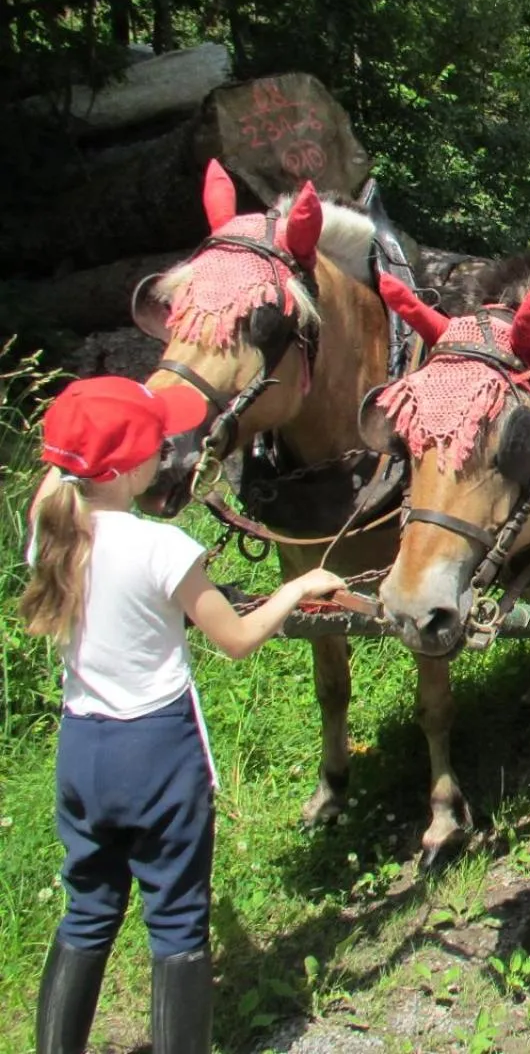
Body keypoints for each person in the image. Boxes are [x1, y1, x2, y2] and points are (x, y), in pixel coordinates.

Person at [20, 377, 345, 1054]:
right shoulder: (163, 550)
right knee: (175, 922)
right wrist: (298, 587)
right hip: (157, 755)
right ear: (134, 467)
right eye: (156, 445)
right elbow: (236, 640)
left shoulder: (48, 531)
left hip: (82, 749)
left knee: (88, 911)